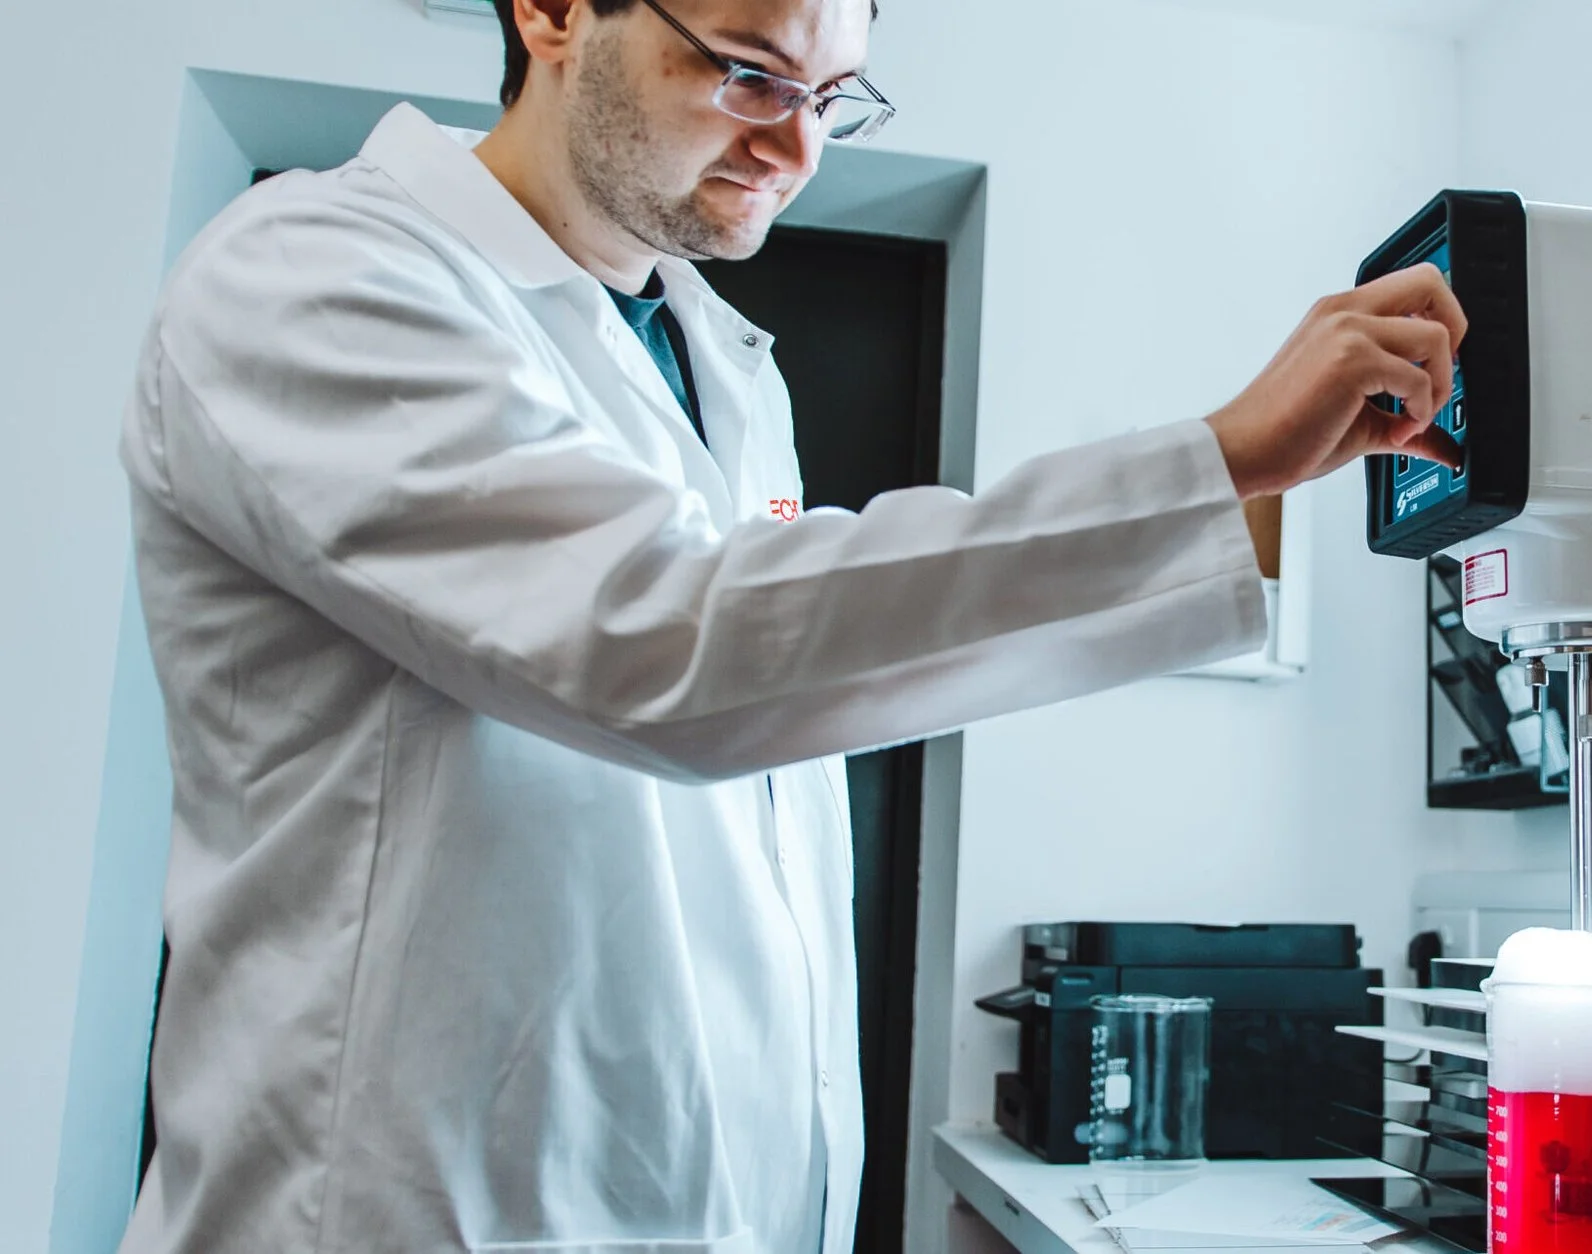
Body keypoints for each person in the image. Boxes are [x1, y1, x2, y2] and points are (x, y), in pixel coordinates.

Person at [114, 0, 1463, 1249]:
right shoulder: (314, 273)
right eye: (751, 70)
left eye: (836, 93)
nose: (799, 144)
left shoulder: (726, 367)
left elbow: (769, 705)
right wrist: (1214, 463)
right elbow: (663, 646)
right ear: (552, 12)